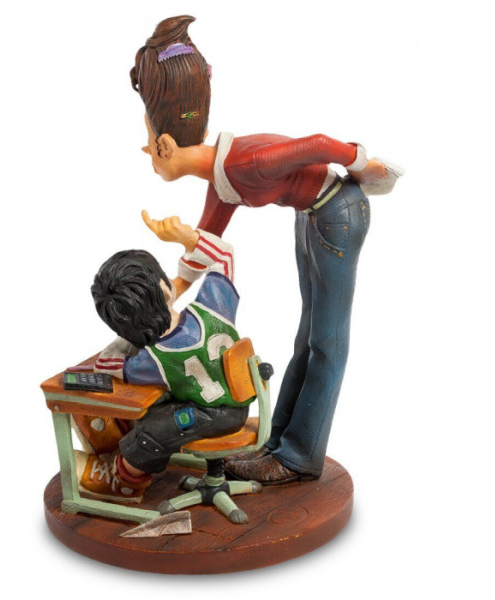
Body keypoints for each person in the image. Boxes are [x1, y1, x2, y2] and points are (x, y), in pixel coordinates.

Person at [130, 16, 403, 484]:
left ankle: (299, 457)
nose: (147, 154)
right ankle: (279, 444)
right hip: (313, 214)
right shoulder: (222, 178)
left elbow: (319, 145)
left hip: (338, 214)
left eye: (149, 147)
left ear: (166, 144)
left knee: (327, 342)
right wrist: (168, 291)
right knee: (308, 337)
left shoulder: (246, 163)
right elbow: (208, 236)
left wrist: (365, 163)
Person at [73, 212, 252, 502]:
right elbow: (224, 256)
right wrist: (189, 240)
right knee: (156, 410)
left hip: (217, 415)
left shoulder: (153, 360)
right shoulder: (213, 306)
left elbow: (106, 364)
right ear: (165, 287)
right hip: (237, 401)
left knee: (151, 430)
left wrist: (131, 334)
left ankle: (124, 481)